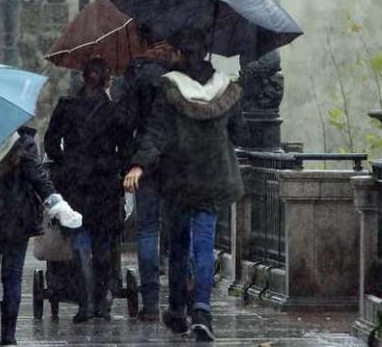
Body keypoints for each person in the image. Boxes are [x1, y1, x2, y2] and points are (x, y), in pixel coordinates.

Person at [123, 29, 248, 342]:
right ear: (206, 52)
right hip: (213, 177)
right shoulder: (226, 89)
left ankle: (178, 309)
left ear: (179, 53)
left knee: (178, 246)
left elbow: (157, 132)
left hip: (179, 178)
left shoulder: (170, 88)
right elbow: (240, 132)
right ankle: (202, 310)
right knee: (205, 244)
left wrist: (139, 164)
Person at [0, 126, 82, 345]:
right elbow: (37, 177)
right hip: (17, 216)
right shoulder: (23, 141)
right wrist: (57, 205)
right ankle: (9, 337)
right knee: (12, 276)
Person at [45, 58, 125, 323]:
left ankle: (85, 303)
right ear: (106, 79)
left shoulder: (67, 107)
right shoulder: (114, 111)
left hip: (75, 182)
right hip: (105, 184)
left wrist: (65, 161)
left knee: (79, 239)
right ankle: (102, 301)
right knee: (103, 243)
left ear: (82, 77)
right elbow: (124, 149)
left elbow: (51, 142)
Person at [114, 43, 181, 321]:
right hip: (175, 161)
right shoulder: (177, 76)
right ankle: (183, 297)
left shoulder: (134, 75)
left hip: (143, 161)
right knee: (179, 229)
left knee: (147, 230)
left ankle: (151, 302)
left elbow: (123, 120)